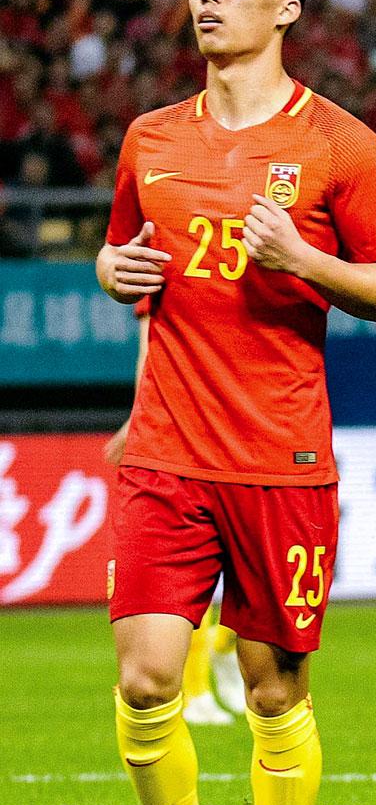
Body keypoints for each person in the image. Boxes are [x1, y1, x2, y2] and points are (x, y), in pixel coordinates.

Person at [97, 0, 376, 805]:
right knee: (147, 676)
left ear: (286, 8)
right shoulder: (150, 137)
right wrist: (115, 275)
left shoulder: (339, 144)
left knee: (275, 686)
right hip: (165, 450)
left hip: (280, 456)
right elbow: (116, 254)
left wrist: (302, 260)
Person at [105, 306, 244, 726]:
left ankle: (224, 651)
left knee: (260, 592)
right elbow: (151, 345)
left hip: (255, 432)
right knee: (185, 584)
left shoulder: (263, 250)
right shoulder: (168, 256)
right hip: (184, 441)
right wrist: (140, 416)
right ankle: (196, 691)